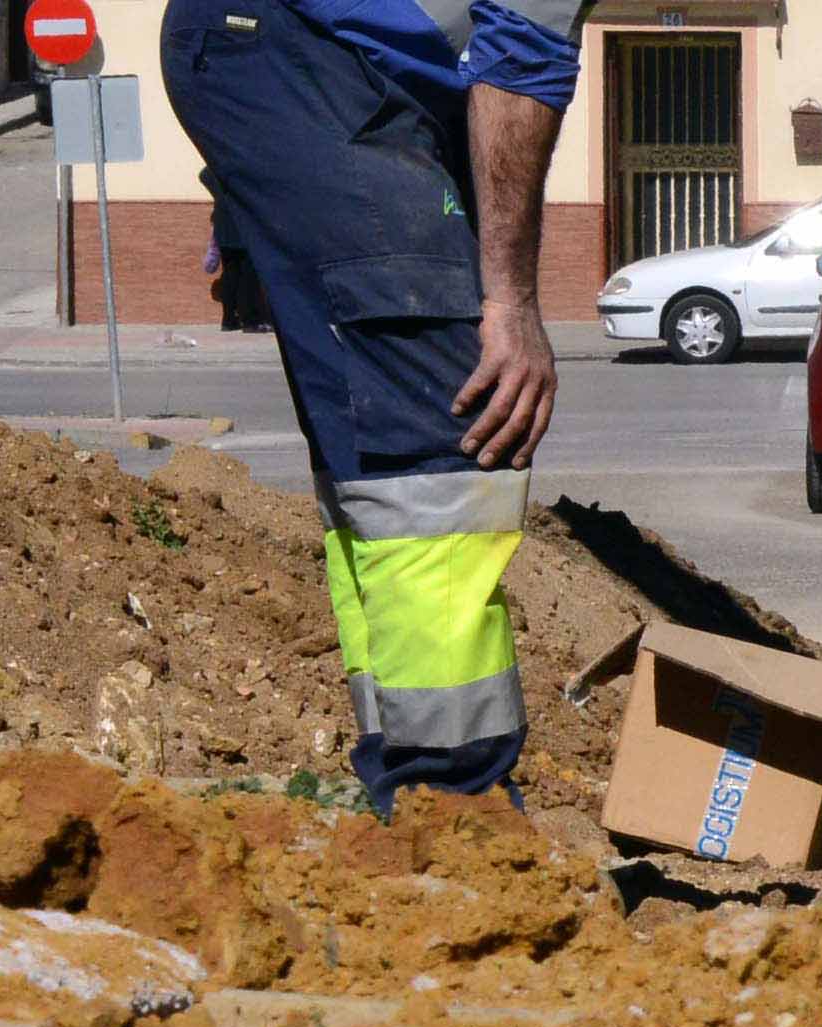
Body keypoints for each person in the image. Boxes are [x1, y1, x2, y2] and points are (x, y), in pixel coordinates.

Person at [162, 0, 580, 807]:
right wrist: (510, 302)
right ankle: (454, 805)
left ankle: (405, 777)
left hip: (288, 60)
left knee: (377, 450)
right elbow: (518, 70)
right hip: (303, 61)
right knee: (442, 442)